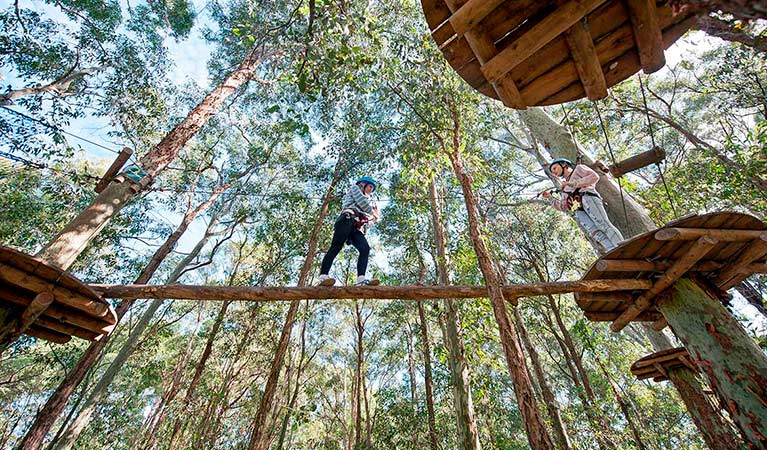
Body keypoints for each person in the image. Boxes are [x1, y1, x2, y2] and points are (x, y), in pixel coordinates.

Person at [542, 158, 624, 251]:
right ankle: (613, 250)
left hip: (587, 197)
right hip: (578, 209)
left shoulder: (579, 169)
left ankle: (621, 247)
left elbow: (594, 177)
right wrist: (550, 197)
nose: (554, 172)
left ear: (564, 164)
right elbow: (563, 206)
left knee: (602, 224)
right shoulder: (565, 188)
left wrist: (573, 183)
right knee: (596, 233)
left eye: (555, 168)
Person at [318, 176, 381, 286]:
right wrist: (373, 212)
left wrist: (374, 218)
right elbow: (362, 202)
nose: (371, 189)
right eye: (370, 186)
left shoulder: (367, 201)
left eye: (372, 188)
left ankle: (360, 280)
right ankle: (323, 276)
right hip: (346, 219)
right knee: (336, 246)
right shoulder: (354, 189)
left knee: (365, 248)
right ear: (363, 184)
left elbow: (367, 217)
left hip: (355, 226)